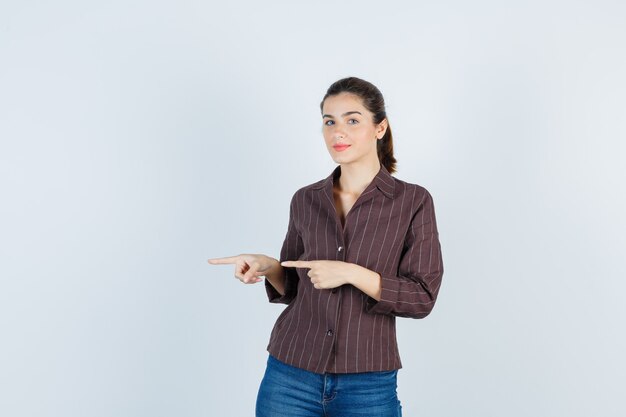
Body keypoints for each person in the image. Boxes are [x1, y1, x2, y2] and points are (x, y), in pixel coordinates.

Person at [208, 76, 444, 417]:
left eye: (352, 120)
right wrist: (267, 265)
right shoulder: (305, 199)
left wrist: (351, 273)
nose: (338, 132)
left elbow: (421, 297)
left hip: (368, 381)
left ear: (380, 128)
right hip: (289, 374)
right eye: (329, 122)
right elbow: (294, 286)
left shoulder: (413, 201)